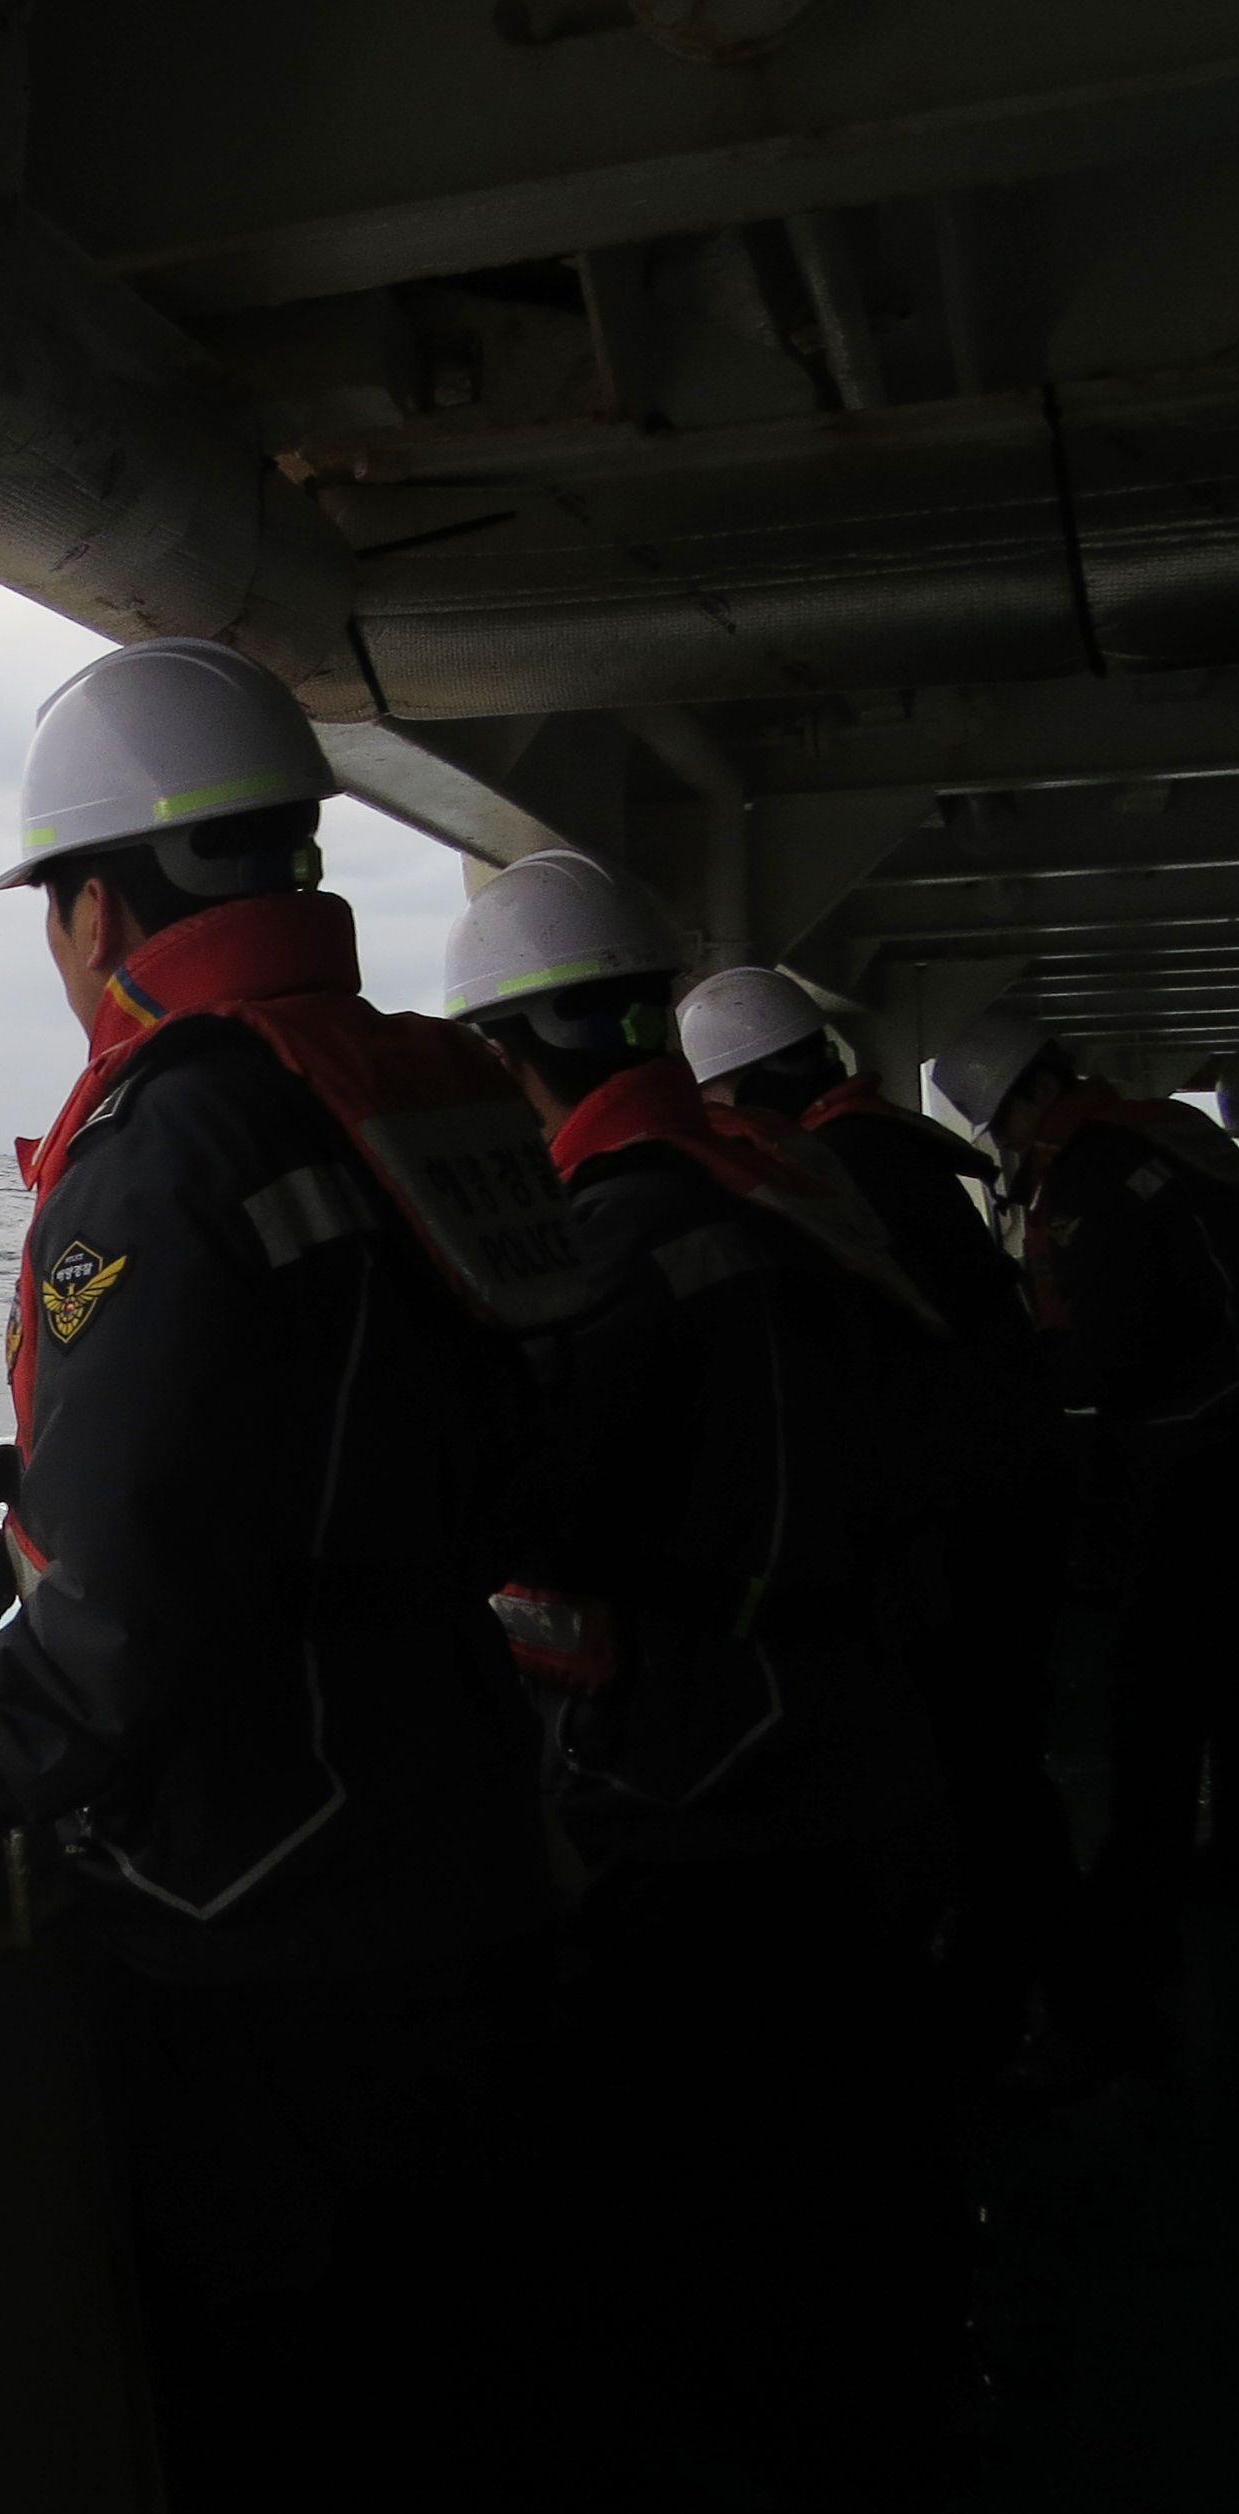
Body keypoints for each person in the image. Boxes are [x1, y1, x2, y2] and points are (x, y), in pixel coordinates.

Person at [0, 638, 576, 2510]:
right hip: (469, 1822)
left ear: (99, 902)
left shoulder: (164, 1138)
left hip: (263, 1901)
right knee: (477, 2381)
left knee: (291, 2405)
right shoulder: (412, 1090)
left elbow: (131, 1599)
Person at [454, 864, 956, 2501]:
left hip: (700, 1776)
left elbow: (532, 1506)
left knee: (702, 2184)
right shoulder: (783, 1185)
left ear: (511, 1050)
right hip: (858, 1732)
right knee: (847, 2157)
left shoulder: (615, 1234)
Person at [680, 966, 1097, 2079]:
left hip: (961, 1535)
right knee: (997, 1769)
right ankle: (1059, 2005)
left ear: (736, 1094)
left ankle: (1021, 2016)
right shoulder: (895, 1156)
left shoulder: (841, 1175)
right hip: (1006, 1511)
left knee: (977, 1779)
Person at [935, 1009, 1239, 2033]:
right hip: (1216, 1431)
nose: (1015, 1148)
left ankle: (1130, 1935)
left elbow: (1113, 1348)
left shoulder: (1099, 1173)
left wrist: (1016, 1392)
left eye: (1009, 1129)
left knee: (1156, 1692)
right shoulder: (1166, 1133)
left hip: (1196, 1448)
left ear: (1026, 1094)